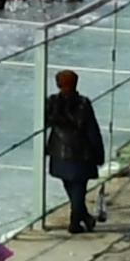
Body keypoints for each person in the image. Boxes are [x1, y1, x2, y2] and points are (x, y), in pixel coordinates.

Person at [44, 68, 105, 232]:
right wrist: (99, 153)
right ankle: (75, 221)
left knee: (70, 186)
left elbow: (45, 122)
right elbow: (92, 130)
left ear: (58, 84)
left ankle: (82, 218)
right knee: (79, 188)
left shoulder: (52, 102)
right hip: (81, 153)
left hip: (59, 152)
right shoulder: (83, 103)